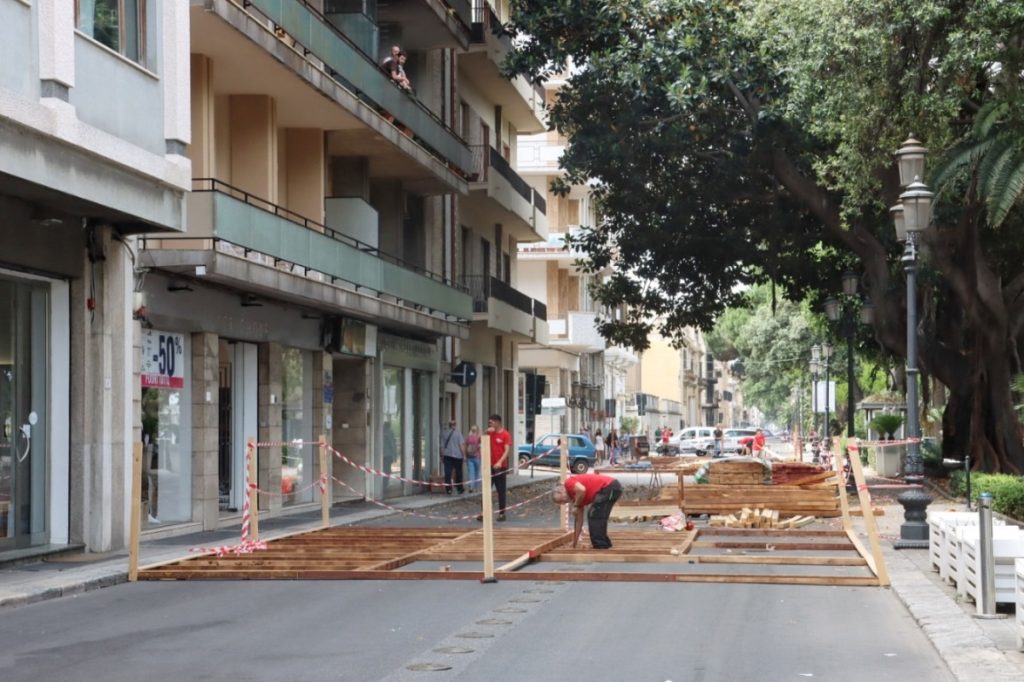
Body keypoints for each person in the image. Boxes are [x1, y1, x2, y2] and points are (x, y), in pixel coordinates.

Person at [552, 472, 623, 549]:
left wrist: (576, 506)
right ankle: (604, 543)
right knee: (599, 515)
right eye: (561, 502)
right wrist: (574, 543)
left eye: (561, 500)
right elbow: (579, 521)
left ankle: (600, 545)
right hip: (610, 488)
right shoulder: (577, 499)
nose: (563, 502)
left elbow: (582, 489)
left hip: (609, 487)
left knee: (594, 514)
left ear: (561, 491)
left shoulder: (568, 484)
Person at [485, 413, 512, 522]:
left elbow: (506, 450)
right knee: (486, 489)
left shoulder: (505, 434)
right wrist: (485, 432)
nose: (490, 424)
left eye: (491, 422)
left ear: (497, 422)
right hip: (489, 466)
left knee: (501, 490)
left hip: (500, 467)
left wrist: (500, 462)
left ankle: (502, 513)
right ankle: (484, 512)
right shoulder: (490, 434)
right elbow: (479, 440)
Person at [440, 419, 465, 494]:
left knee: (447, 472)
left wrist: (442, 456)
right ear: (455, 425)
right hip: (457, 456)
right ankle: (459, 488)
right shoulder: (458, 433)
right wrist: (464, 455)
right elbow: (461, 445)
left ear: (449, 425)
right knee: (458, 472)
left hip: (447, 455)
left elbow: (442, 446)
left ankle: (448, 489)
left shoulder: (444, 433)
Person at [464, 425, 481, 492]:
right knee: (477, 472)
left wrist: (465, 455)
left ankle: (471, 486)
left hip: (469, 457)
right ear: (477, 430)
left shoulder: (468, 438)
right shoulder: (478, 438)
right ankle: (476, 488)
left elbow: (465, 446)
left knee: (470, 472)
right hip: (477, 456)